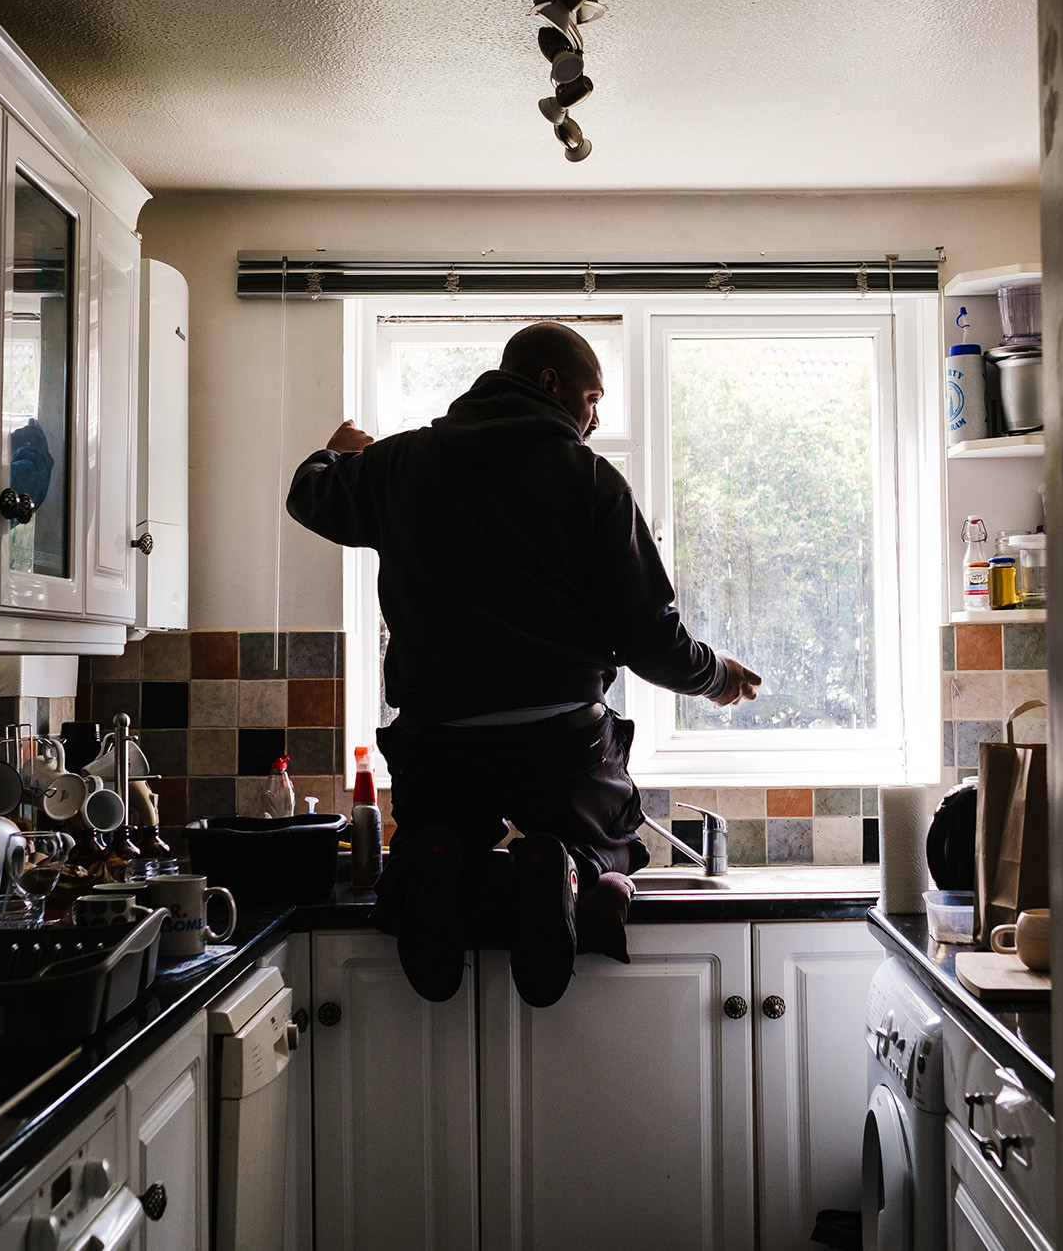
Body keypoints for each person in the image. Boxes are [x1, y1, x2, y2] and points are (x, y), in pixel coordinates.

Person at [285, 322, 760, 1008]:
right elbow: (649, 636)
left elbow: (309, 494)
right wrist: (715, 675)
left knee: (434, 838)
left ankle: (433, 862)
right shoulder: (591, 480)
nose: (595, 418)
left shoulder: (403, 462)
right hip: (560, 742)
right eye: (592, 397)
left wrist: (338, 452)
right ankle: (563, 866)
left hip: (437, 742)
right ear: (549, 383)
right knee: (611, 853)